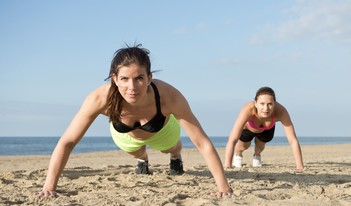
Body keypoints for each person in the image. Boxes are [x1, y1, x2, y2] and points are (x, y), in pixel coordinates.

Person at [37, 44, 233, 197]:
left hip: (162, 131)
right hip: (125, 135)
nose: (132, 87)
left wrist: (223, 187)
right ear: (114, 78)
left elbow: (201, 142)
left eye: (139, 78)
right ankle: (142, 158)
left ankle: (175, 156)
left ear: (149, 77)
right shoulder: (99, 99)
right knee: (136, 151)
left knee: (171, 148)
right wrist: (49, 187)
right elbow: (68, 141)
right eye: (124, 79)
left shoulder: (169, 96)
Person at [224, 86, 304, 171]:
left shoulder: (280, 111)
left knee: (260, 147)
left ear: (274, 103)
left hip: (267, 129)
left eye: (270, 104)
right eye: (262, 104)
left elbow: (292, 140)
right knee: (243, 147)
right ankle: (238, 154)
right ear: (256, 103)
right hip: (248, 129)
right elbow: (232, 139)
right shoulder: (248, 110)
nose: (266, 108)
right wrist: (227, 165)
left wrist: (299, 166)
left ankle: (257, 155)